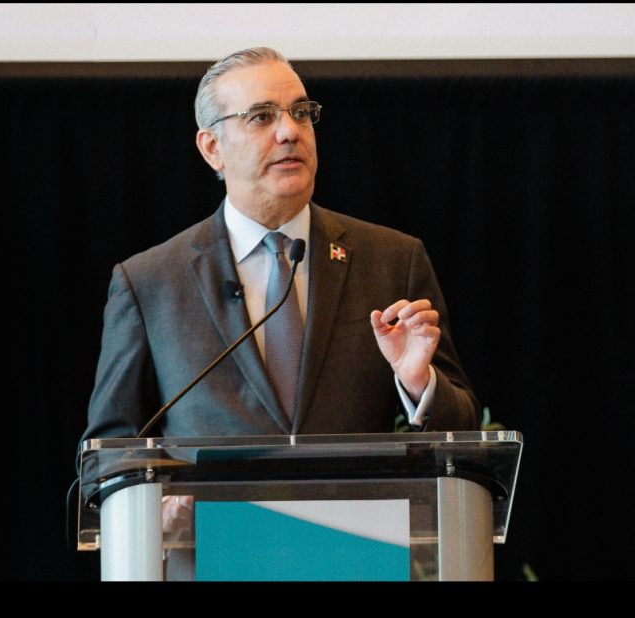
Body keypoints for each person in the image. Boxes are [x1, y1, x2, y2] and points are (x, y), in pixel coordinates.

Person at [82, 47, 478, 444]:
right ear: (212, 148)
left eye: (301, 113)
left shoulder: (392, 260)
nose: (290, 132)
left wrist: (418, 383)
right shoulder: (150, 282)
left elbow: (462, 433)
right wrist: (152, 487)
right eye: (261, 116)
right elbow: (109, 450)